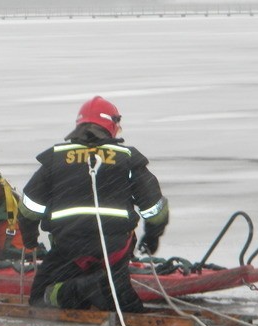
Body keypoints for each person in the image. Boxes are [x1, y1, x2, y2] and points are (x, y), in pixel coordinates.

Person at [18, 96, 169, 312]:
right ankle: (105, 288)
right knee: (120, 300)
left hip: (68, 250)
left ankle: (86, 288)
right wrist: (152, 237)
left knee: (41, 298)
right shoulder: (128, 159)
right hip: (115, 251)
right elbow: (155, 211)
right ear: (112, 125)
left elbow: (28, 209)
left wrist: (30, 239)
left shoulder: (56, 159)